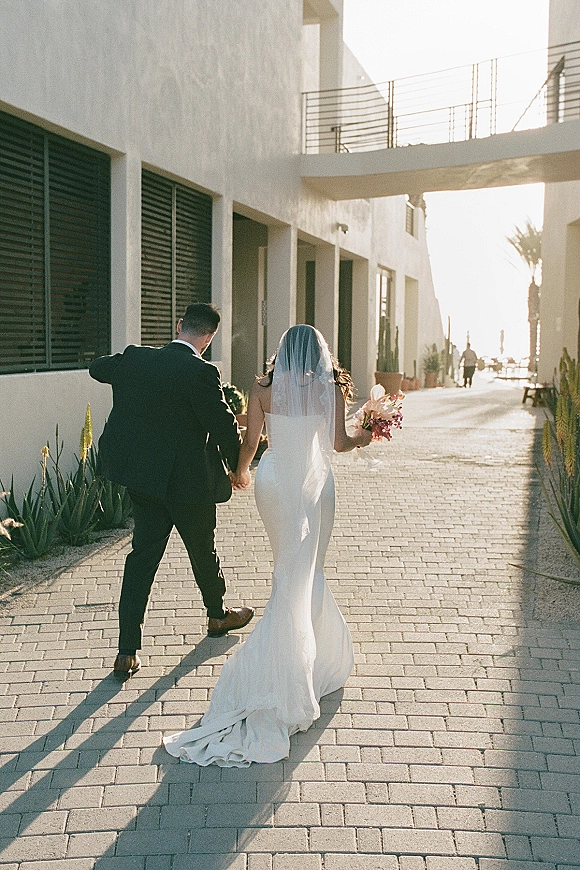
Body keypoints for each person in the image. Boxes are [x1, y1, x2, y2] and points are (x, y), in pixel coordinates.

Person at [163, 324, 372, 766]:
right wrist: (366, 434)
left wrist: (240, 472)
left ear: (282, 351)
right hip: (314, 484)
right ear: (319, 352)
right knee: (309, 568)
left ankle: (295, 658)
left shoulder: (263, 388)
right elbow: (338, 443)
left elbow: (251, 440)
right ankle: (302, 665)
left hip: (274, 481)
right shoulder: (329, 388)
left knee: (287, 569)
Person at [89, 303, 254, 679]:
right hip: (189, 485)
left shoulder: (136, 359)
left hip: (145, 483)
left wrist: (129, 366)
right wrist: (237, 469)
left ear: (178, 326)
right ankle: (216, 615)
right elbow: (225, 426)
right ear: (208, 338)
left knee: (141, 560)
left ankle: (127, 651)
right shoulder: (201, 372)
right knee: (202, 552)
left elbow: (98, 368)